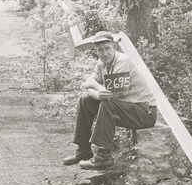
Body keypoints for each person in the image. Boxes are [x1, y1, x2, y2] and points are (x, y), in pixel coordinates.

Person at [64, 31, 158, 170]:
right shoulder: (102, 62)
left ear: (114, 47)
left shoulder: (123, 62)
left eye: (108, 48)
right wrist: (96, 93)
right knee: (84, 100)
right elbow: (87, 82)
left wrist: (94, 88)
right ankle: (83, 150)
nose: (104, 53)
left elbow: (110, 97)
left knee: (108, 104)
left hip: (144, 112)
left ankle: (104, 157)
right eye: (100, 50)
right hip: (126, 108)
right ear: (96, 51)